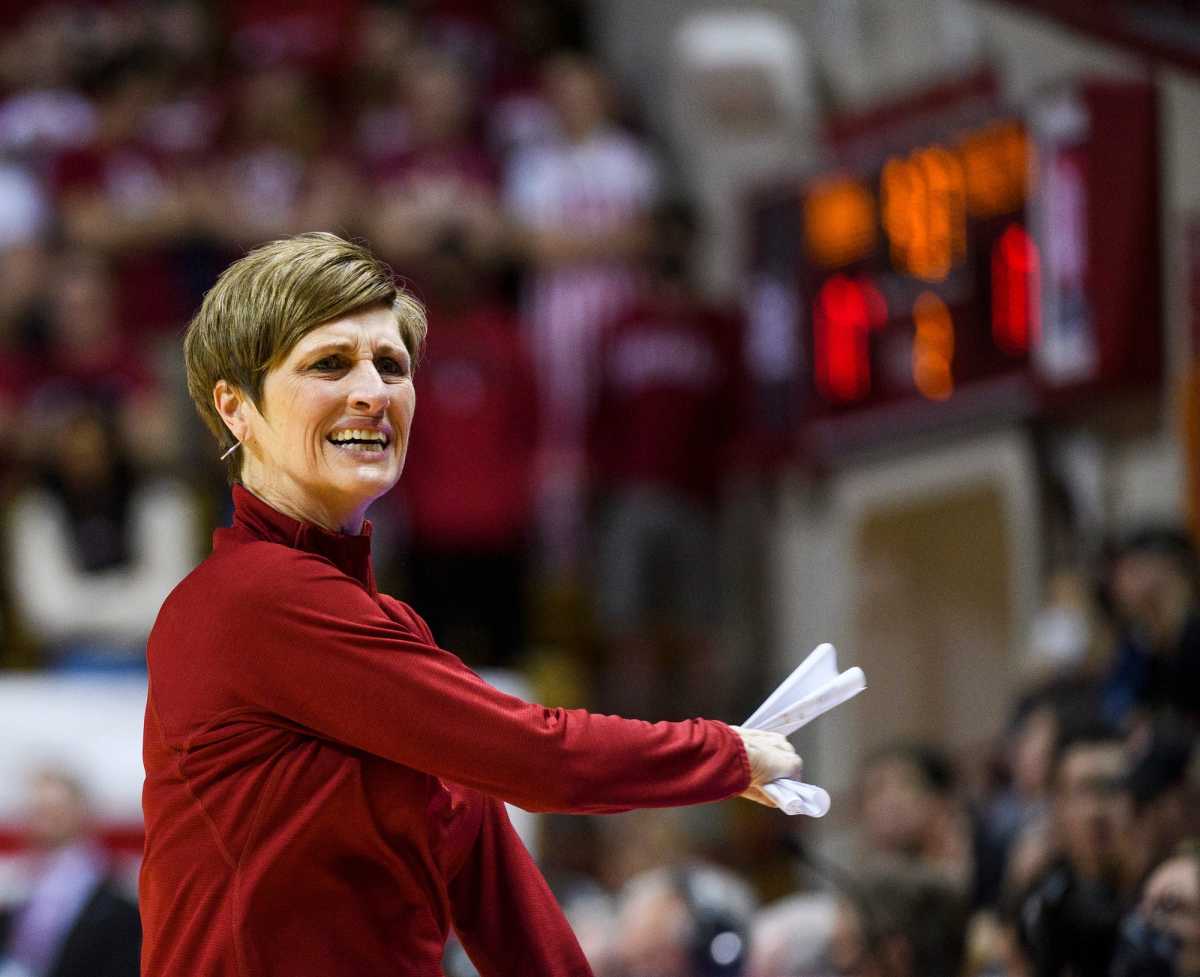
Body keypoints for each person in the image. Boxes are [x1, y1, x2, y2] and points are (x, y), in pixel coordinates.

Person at [139, 232, 802, 976]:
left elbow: (501, 897)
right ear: (236, 406)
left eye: (391, 365)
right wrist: (724, 753)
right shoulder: (250, 600)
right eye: (330, 363)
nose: (374, 390)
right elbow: (536, 757)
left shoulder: (390, 632)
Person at [0, 768, 141, 977]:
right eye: (38, 810)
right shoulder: (17, 879)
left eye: (56, 809)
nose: (46, 819)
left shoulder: (112, 882)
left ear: (81, 812)